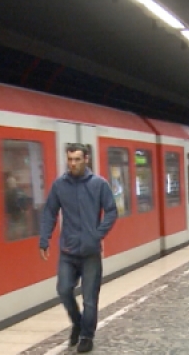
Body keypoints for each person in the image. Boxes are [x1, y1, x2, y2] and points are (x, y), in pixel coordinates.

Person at [39, 143, 118, 353]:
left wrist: (97, 234)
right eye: (70, 159)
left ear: (86, 159)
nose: (72, 163)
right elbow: (50, 212)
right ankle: (77, 322)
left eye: (76, 159)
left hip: (90, 253)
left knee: (90, 300)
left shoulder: (99, 184)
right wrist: (44, 239)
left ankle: (86, 336)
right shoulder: (59, 185)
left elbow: (111, 211)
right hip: (68, 251)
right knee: (64, 290)